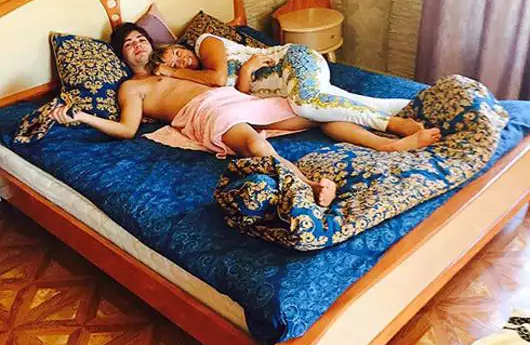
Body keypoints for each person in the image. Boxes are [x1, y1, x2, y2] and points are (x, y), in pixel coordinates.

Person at [49, 23, 440, 207]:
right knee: (252, 144)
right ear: (121, 56)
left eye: (141, 39)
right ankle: (307, 185)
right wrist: (82, 117)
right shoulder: (131, 88)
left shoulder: (174, 66)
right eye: (128, 44)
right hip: (203, 113)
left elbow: (219, 78)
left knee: (317, 115)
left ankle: (389, 146)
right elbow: (126, 129)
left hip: (230, 98)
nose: (137, 45)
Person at [148, 33, 438, 147]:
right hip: (290, 87)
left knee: (306, 105)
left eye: (177, 53)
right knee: (333, 111)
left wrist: (171, 71)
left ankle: (391, 125)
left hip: (291, 61)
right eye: (172, 63)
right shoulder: (200, 84)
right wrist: (246, 71)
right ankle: (418, 107)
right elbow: (243, 98)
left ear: (182, 45)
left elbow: (217, 76)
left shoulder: (205, 43)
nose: (180, 61)